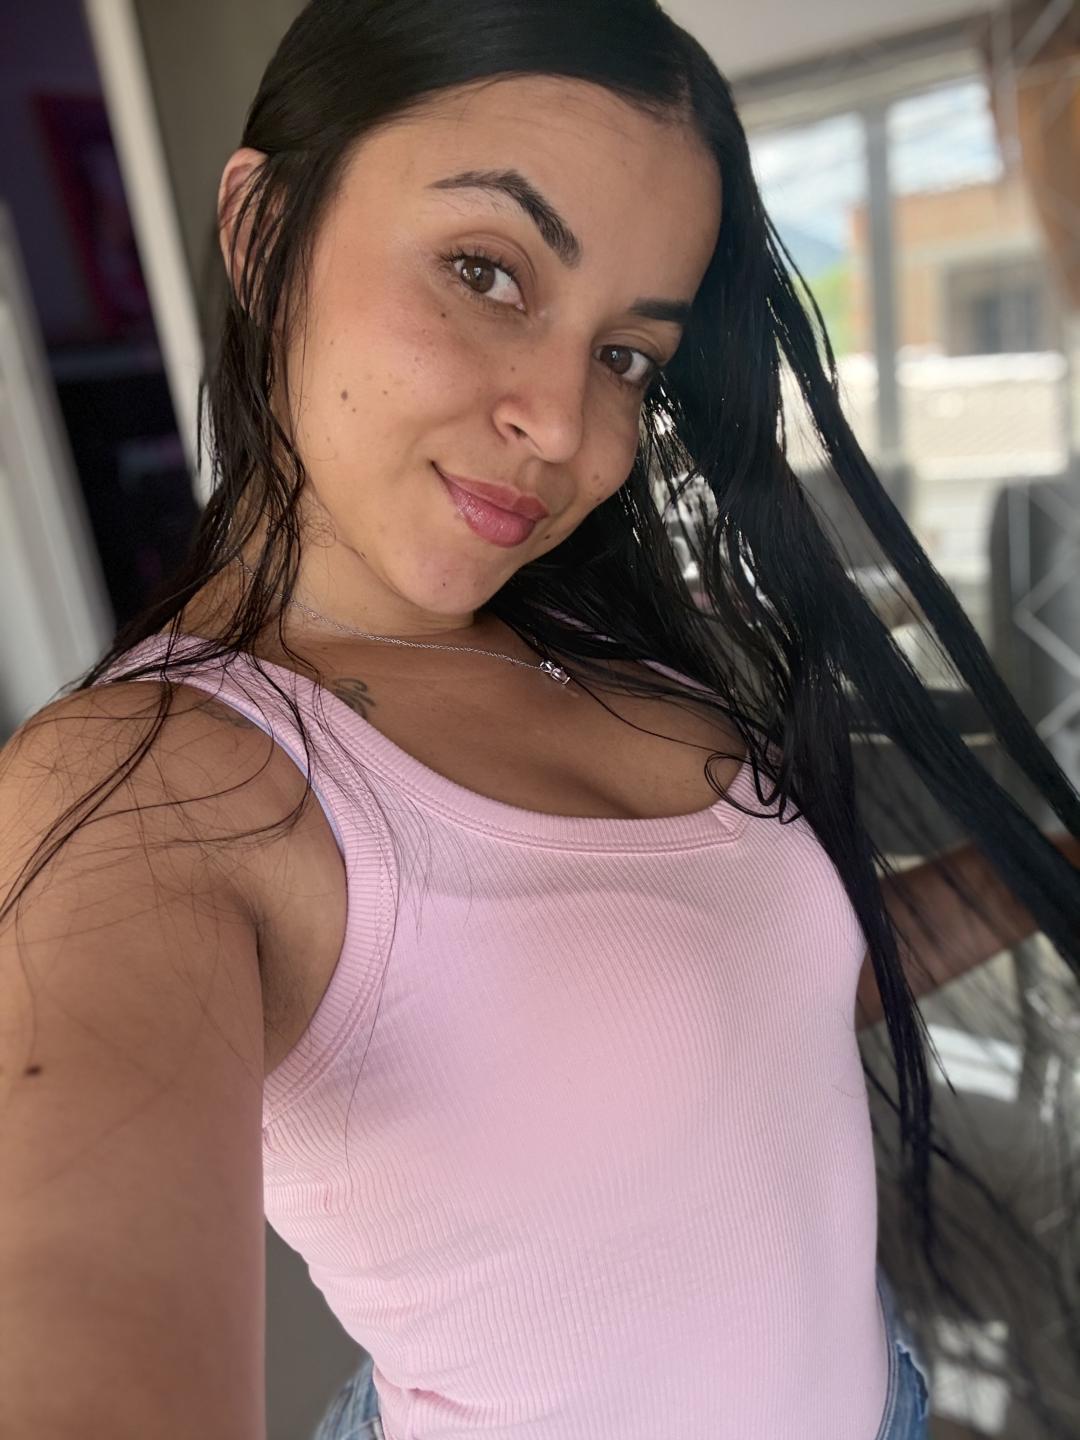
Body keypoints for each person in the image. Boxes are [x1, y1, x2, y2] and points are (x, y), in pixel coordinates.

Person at [1, 2, 1078, 1437]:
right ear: (261, 234)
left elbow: (761, 999)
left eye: (628, 355)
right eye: (487, 272)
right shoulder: (154, 790)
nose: (567, 427)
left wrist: (1048, 864)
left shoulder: (607, 650)